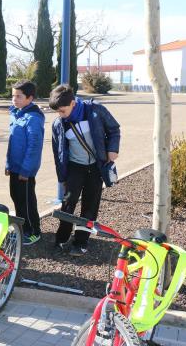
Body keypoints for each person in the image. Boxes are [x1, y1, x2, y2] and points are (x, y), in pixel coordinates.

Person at [49, 84, 120, 256]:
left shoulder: (95, 110)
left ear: (73, 103)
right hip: (75, 167)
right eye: (57, 111)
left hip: (96, 167)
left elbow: (114, 129)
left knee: (90, 204)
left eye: (63, 110)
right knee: (68, 202)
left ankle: (81, 242)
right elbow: (57, 152)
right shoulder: (59, 123)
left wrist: (113, 149)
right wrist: (62, 176)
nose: (60, 115)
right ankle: (62, 237)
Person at [6, 80, 45, 246]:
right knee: (16, 197)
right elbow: (12, 142)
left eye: (19, 96)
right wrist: (9, 164)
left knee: (27, 201)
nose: (14, 99)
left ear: (30, 98)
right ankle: (23, 228)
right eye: (13, 96)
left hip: (25, 170)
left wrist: (26, 169)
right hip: (15, 167)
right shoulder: (16, 114)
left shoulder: (33, 118)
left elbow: (34, 146)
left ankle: (33, 231)